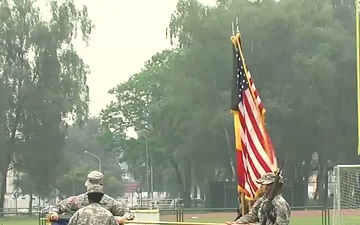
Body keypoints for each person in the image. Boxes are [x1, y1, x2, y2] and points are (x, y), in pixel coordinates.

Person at [49, 171, 135, 224]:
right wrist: (53, 213)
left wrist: (122, 218)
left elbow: (128, 213)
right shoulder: (79, 200)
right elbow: (57, 207)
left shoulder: (110, 202)